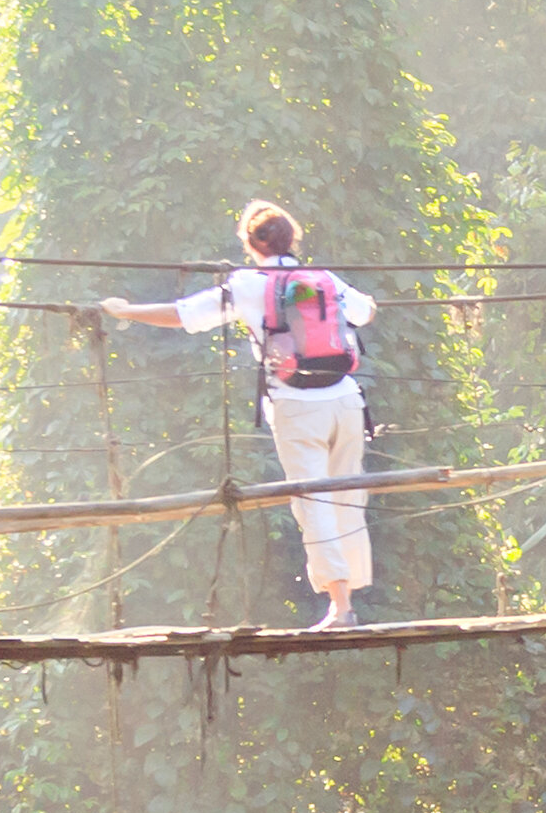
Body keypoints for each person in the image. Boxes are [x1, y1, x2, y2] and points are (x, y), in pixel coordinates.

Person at [99, 201, 382, 628]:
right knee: (347, 496)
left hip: (295, 406)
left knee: (313, 502)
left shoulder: (248, 283)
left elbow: (184, 315)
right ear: (293, 239)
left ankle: (341, 608)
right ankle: (350, 595)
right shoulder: (323, 278)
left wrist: (125, 311)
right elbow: (366, 312)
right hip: (346, 400)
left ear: (251, 244)